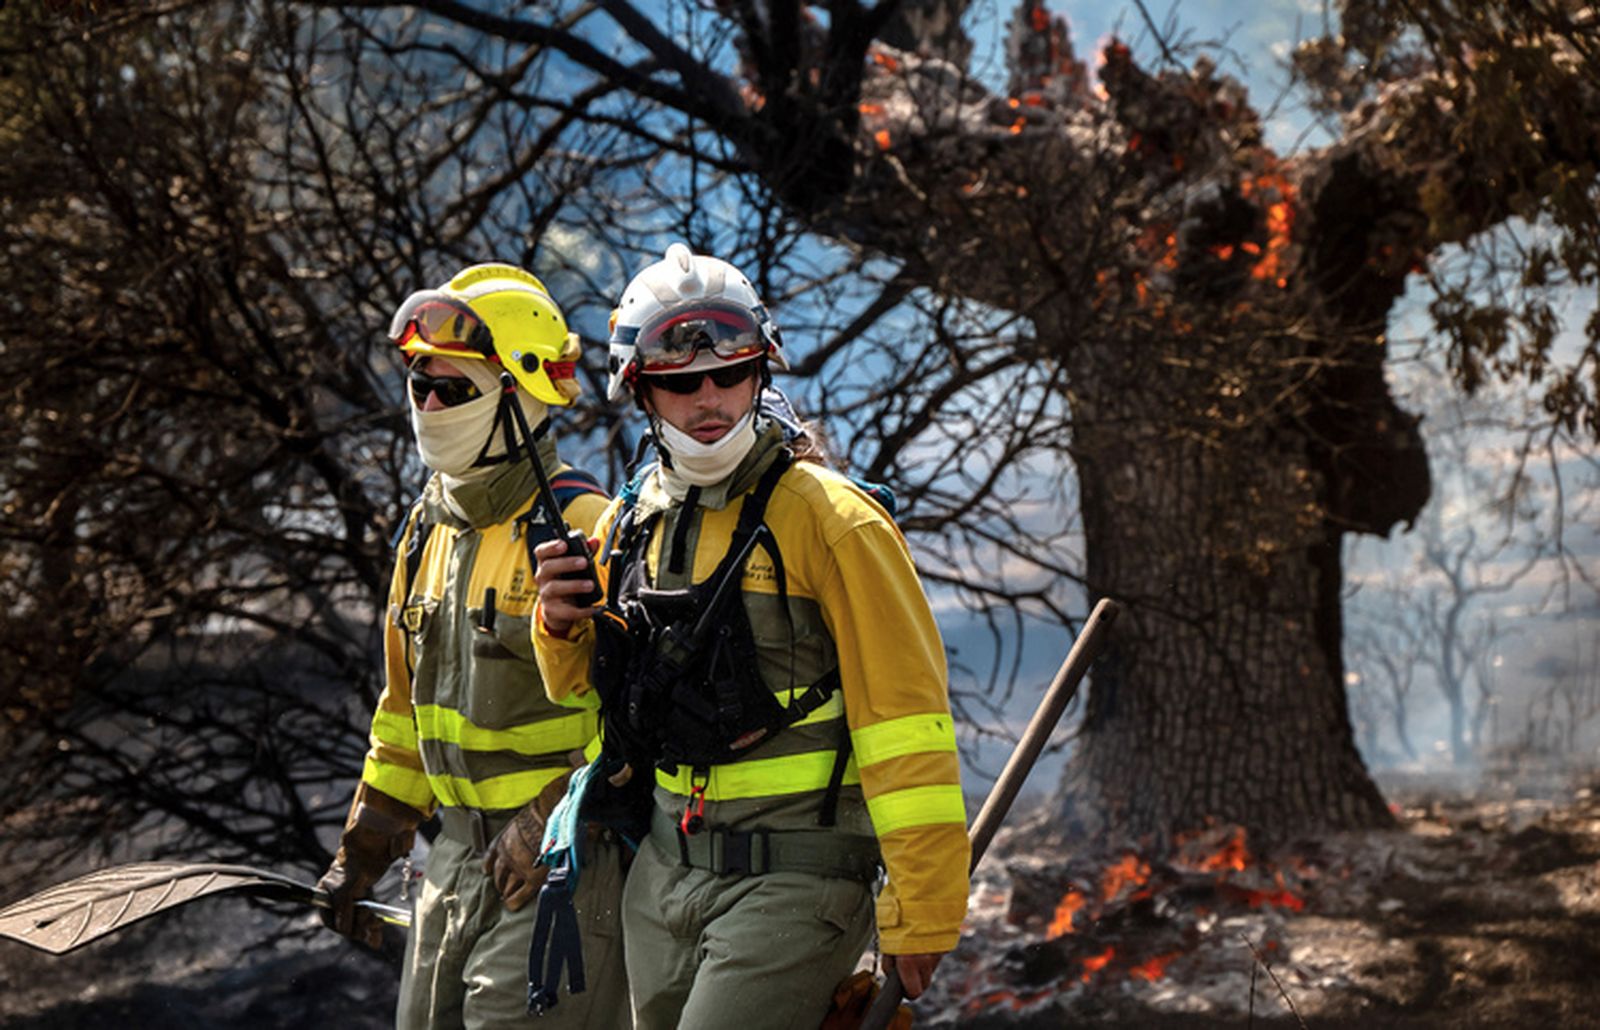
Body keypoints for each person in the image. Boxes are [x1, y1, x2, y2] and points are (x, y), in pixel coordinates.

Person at [530, 244, 969, 1029]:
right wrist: (560, 626)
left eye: (730, 373)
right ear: (640, 389)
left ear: (762, 371)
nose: (710, 398)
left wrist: (924, 908)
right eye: (679, 380)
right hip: (660, 879)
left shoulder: (832, 522)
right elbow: (586, 695)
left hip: (796, 884)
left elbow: (908, 723)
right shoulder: (632, 520)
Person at [316, 263, 631, 1029]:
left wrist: (557, 819)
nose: (427, 405)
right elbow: (401, 719)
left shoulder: (586, 528)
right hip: (450, 862)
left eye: (453, 390)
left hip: (561, 865)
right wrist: (365, 848)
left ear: (522, 398)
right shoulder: (427, 532)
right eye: (420, 385)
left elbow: (640, 723)